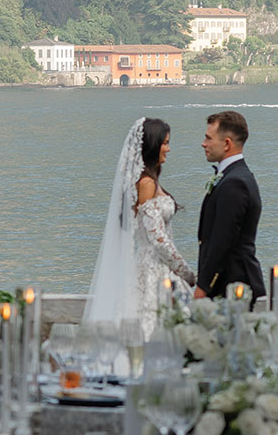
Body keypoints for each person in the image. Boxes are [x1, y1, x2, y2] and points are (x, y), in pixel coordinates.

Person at [84, 115, 196, 335]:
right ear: (153, 146)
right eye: (165, 143)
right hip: (155, 267)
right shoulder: (146, 184)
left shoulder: (150, 182)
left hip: (155, 264)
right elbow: (157, 237)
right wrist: (185, 272)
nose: (169, 149)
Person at [195, 110, 265, 306]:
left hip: (235, 289)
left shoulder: (235, 183)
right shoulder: (234, 177)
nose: (204, 143)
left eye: (208, 138)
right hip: (228, 287)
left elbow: (222, 241)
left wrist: (203, 287)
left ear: (226, 143)